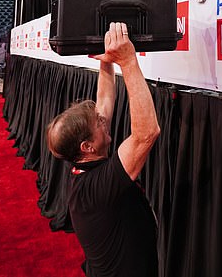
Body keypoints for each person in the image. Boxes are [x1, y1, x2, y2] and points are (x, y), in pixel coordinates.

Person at [46, 22, 160, 277]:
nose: (103, 119)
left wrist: (106, 60)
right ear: (87, 147)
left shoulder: (85, 161)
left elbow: (105, 100)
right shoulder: (95, 187)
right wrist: (129, 62)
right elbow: (146, 134)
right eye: (98, 123)